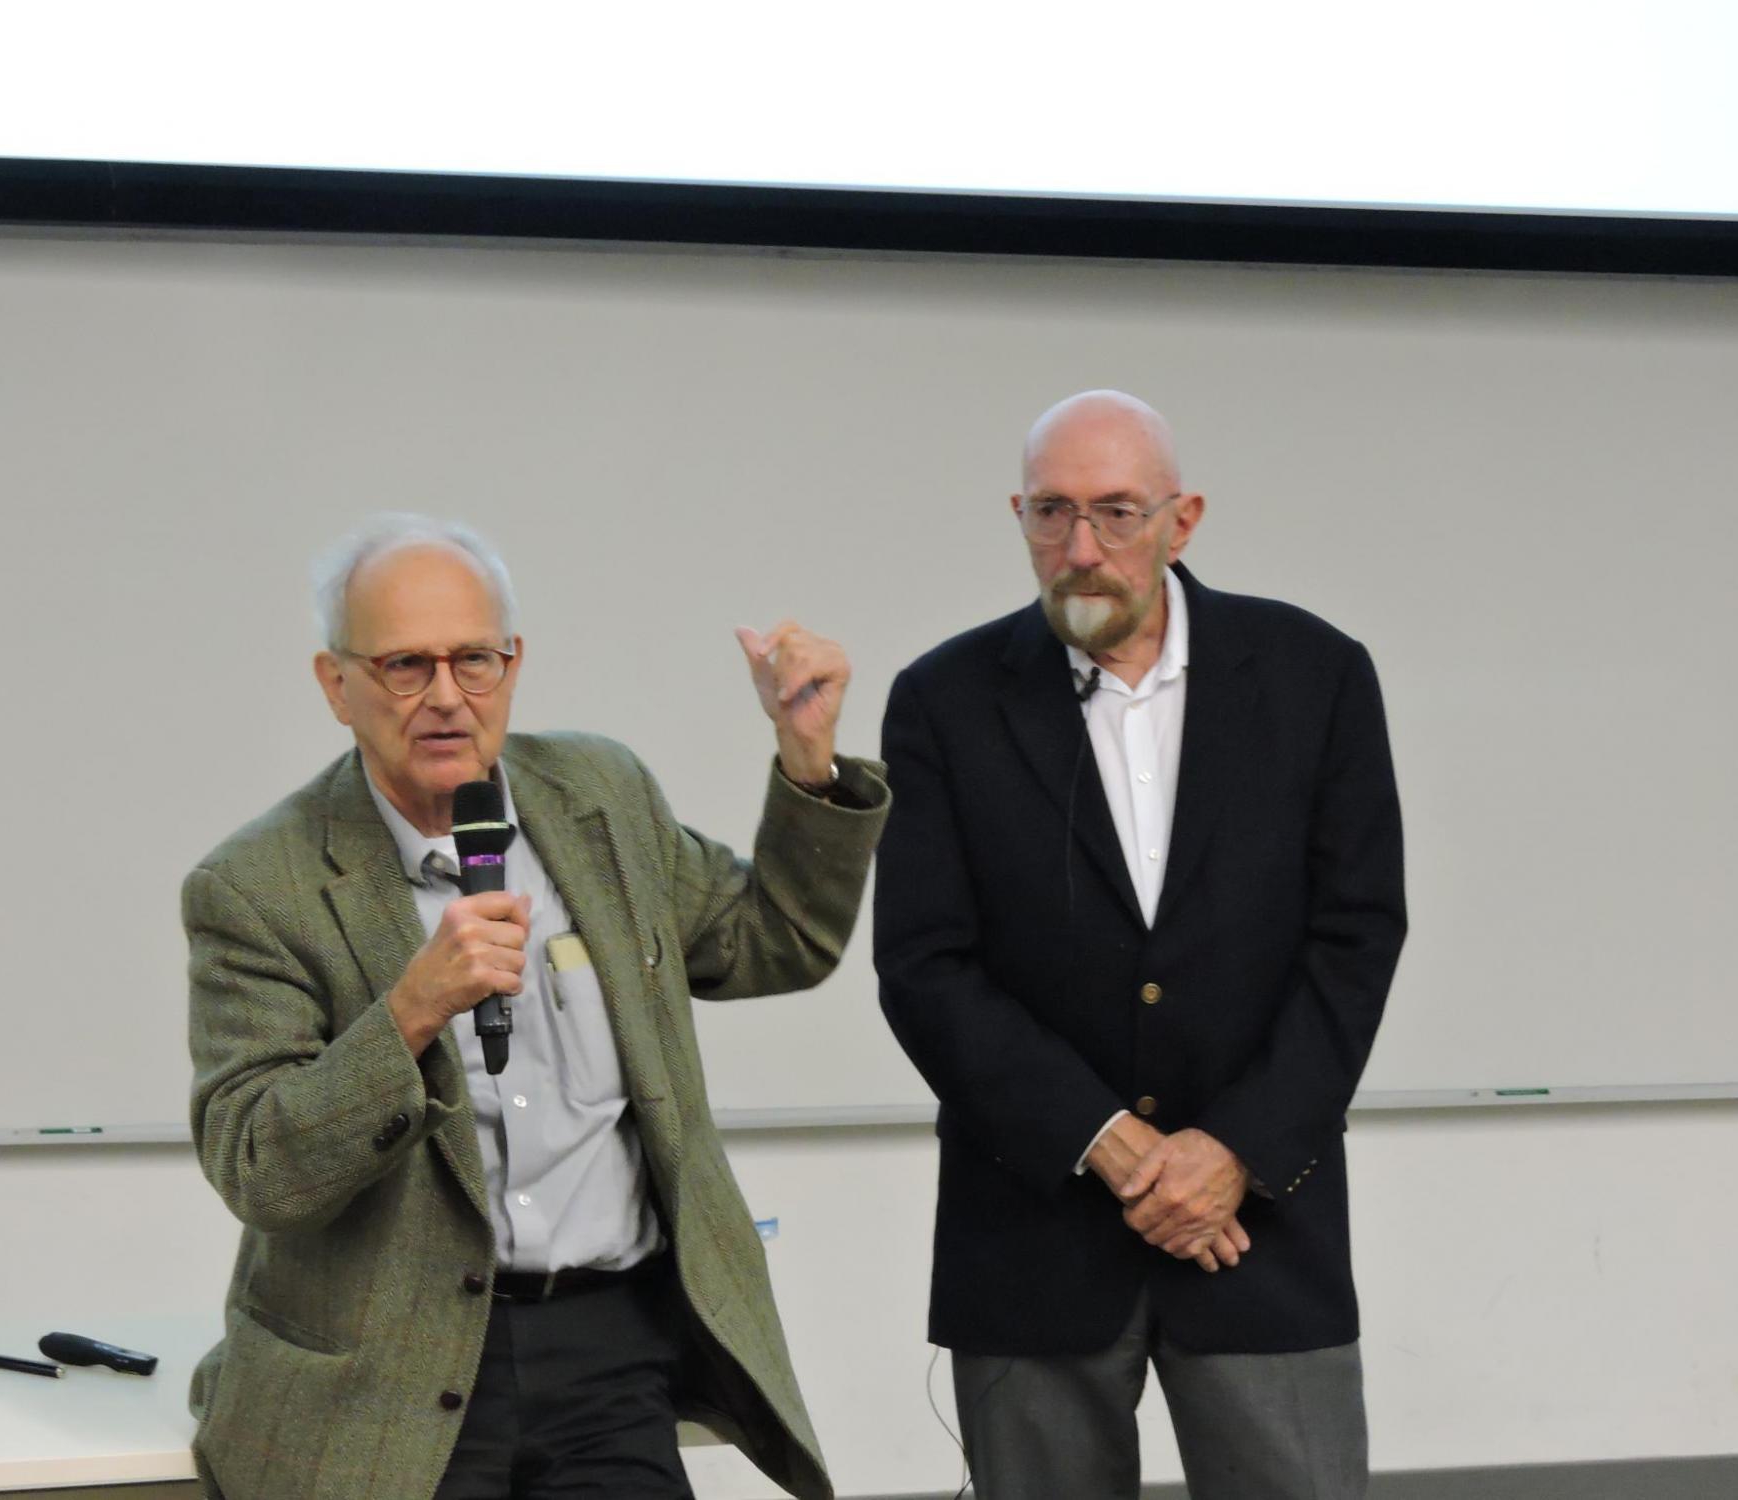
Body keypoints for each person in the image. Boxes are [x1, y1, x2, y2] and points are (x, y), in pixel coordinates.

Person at [184, 514, 889, 1500]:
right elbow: (259, 1167)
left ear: (513, 666)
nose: (443, 698)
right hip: (393, 1364)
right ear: (333, 684)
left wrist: (806, 759)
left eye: (473, 660)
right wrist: (408, 1013)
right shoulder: (261, 885)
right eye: (402, 666)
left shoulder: (597, 796)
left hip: (608, 1348)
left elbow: (769, 940)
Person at [874, 391, 1406, 1499]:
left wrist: (1232, 1153)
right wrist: (1106, 1142)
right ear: (1016, 517)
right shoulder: (943, 700)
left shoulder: (1314, 676)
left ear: (1182, 519)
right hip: (1032, 1233)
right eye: (1050, 514)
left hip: (1258, 1225)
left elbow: (1354, 937)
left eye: (1116, 513)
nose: (1080, 550)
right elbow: (924, 967)